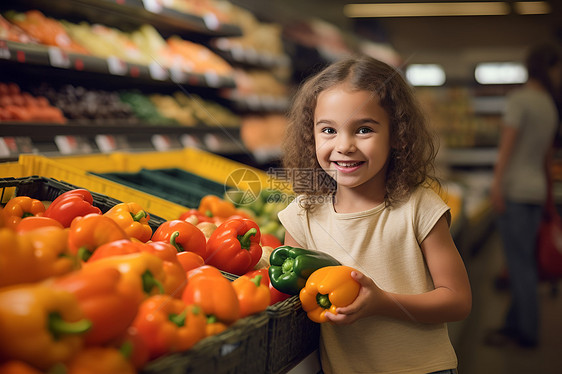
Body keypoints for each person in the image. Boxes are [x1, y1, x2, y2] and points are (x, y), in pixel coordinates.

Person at [278, 55, 472, 374]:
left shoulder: (419, 207)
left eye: (364, 129)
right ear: (310, 135)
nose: (345, 145)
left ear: (397, 135)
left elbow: (458, 301)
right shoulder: (301, 216)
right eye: (328, 130)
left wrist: (382, 302)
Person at [488, 43, 562, 348]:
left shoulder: (520, 100)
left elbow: (507, 147)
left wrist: (496, 184)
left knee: (519, 265)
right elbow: (547, 157)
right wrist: (547, 195)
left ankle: (526, 332)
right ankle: (513, 324)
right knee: (525, 261)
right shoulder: (548, 104)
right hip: (535, 191)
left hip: (515, 190)